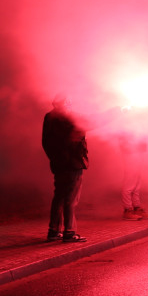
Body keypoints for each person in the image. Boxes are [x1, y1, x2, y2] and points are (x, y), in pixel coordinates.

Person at [41, 94, 88, 242]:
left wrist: (56, 158)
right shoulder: (68, 119)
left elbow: (46, 143)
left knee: (59, 197)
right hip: (72, 164)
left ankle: (53, 231)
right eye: (68, 102)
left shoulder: (49, 117)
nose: (71, 105)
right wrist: (117, 111)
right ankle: (69, 232)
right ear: (64, 104)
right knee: (71, 199)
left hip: (58, 164)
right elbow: (91, 123)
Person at [119, 127, 148, 221]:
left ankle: (136, 207)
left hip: (138, 151)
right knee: (130, 182)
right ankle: (127, 209)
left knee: (137, 183)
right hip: (130, 152)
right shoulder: (124, 124)